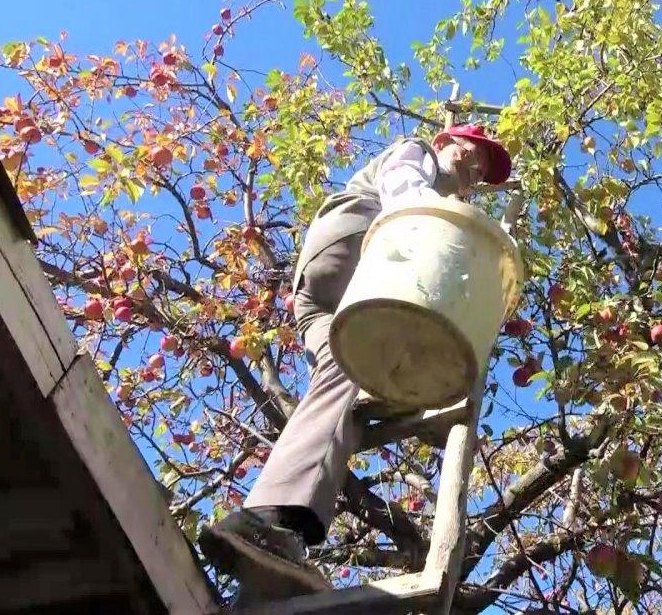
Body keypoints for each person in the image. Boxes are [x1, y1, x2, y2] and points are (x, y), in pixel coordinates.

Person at [199, 123, 513, 601]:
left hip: (328, 303)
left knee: (344, 387)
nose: (477, 171)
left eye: (485, 172)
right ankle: (264, 520)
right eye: (474, 156)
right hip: (349, 259)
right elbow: (402, 189)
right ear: (448, 141)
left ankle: (276, 542)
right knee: (356, 369)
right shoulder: (417, 155)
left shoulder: (444, 196)